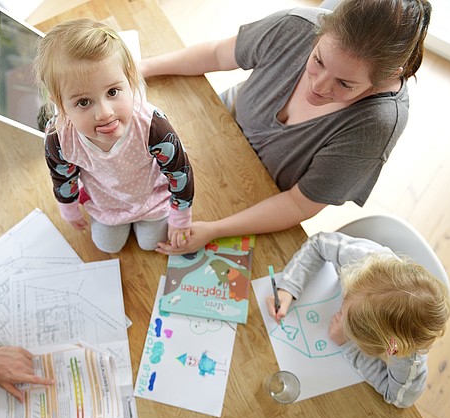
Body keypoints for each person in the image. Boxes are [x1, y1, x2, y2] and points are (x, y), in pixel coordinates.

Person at [140, 0, 432, 254]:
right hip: (215, 128)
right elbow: (218, 54)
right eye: (318, 60)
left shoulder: (376, 124)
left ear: (385, 78)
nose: (317, 86)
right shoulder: (295, 25)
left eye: (344, 83)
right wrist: (143, 69)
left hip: (255, 198)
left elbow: (298, 204)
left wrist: (214, 230)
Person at [34, 19, 195, 254]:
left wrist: (181, 217)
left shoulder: (153, 126)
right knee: (107, 245)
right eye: (83, 102)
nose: (105, 113)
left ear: (130, 82)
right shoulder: (58, 138)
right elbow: (62, 178)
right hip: (105, 203)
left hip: (151, 196)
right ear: (60, 105)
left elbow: (180, 172)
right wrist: (68, 208)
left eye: (112, 92)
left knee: (150, 243)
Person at [266, 232, 450, 407]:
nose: (340, 311)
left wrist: (348, 345)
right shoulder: (364, 260)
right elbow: (320, 243)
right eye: (346, 297)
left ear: (385, 348)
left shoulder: (406, 360)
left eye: (350, 324)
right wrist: (289, 287)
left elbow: (399, 399)